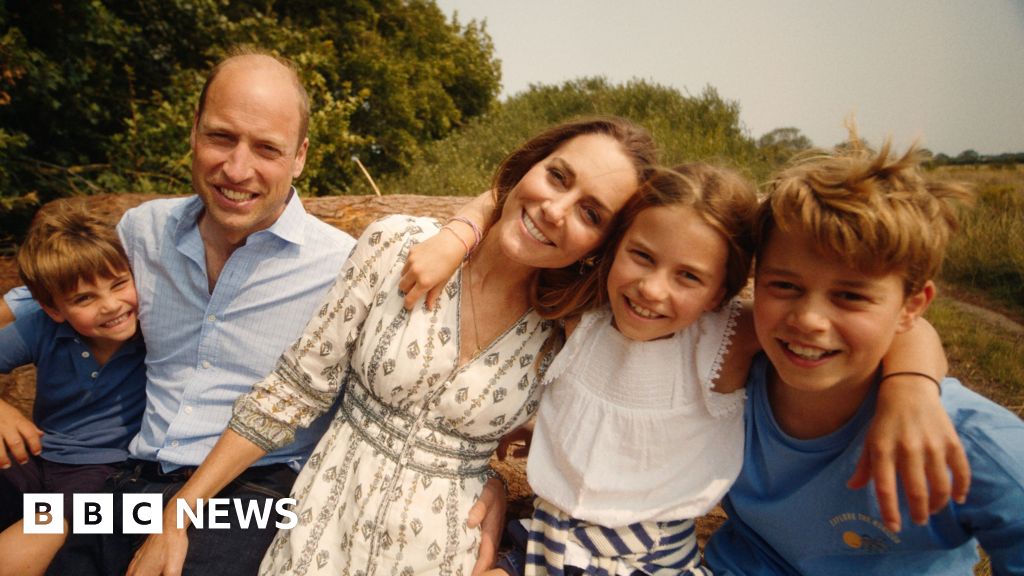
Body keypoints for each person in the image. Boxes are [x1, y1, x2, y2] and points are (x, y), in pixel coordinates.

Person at [125, 116, 660, 576]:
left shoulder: (566, 334)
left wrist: (490, 479)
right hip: (320, 534)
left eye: (591, 213)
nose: (555, 210)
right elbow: (293, 391)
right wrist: (179, 514)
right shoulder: (400, 245)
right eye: (557, 177)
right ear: (528, 168)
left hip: (446, 552)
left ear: (602, 245)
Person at [44, 47, 357, 576]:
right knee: (33, 537)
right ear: (194, 131)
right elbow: (37, 306)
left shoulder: (342, 267)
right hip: (130, 479)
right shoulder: (142, 233)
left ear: (300, 156)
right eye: (221, 137)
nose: (237, 168)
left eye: (266, 148)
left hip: (259, 494)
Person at [703, 135, 1024, 574]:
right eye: (784, 286)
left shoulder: (968, 444)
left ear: (912, 306)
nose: (810, 319)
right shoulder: (727, 372)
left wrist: (911, 386)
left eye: (850, 296)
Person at [0, 201, 146, 576]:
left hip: (103, 472)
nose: (111, 305)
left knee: (35, 537)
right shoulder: (41, 326)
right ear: (54, 309)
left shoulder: (154, 329)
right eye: (85, 298)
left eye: (119, 284)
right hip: (38, 456)